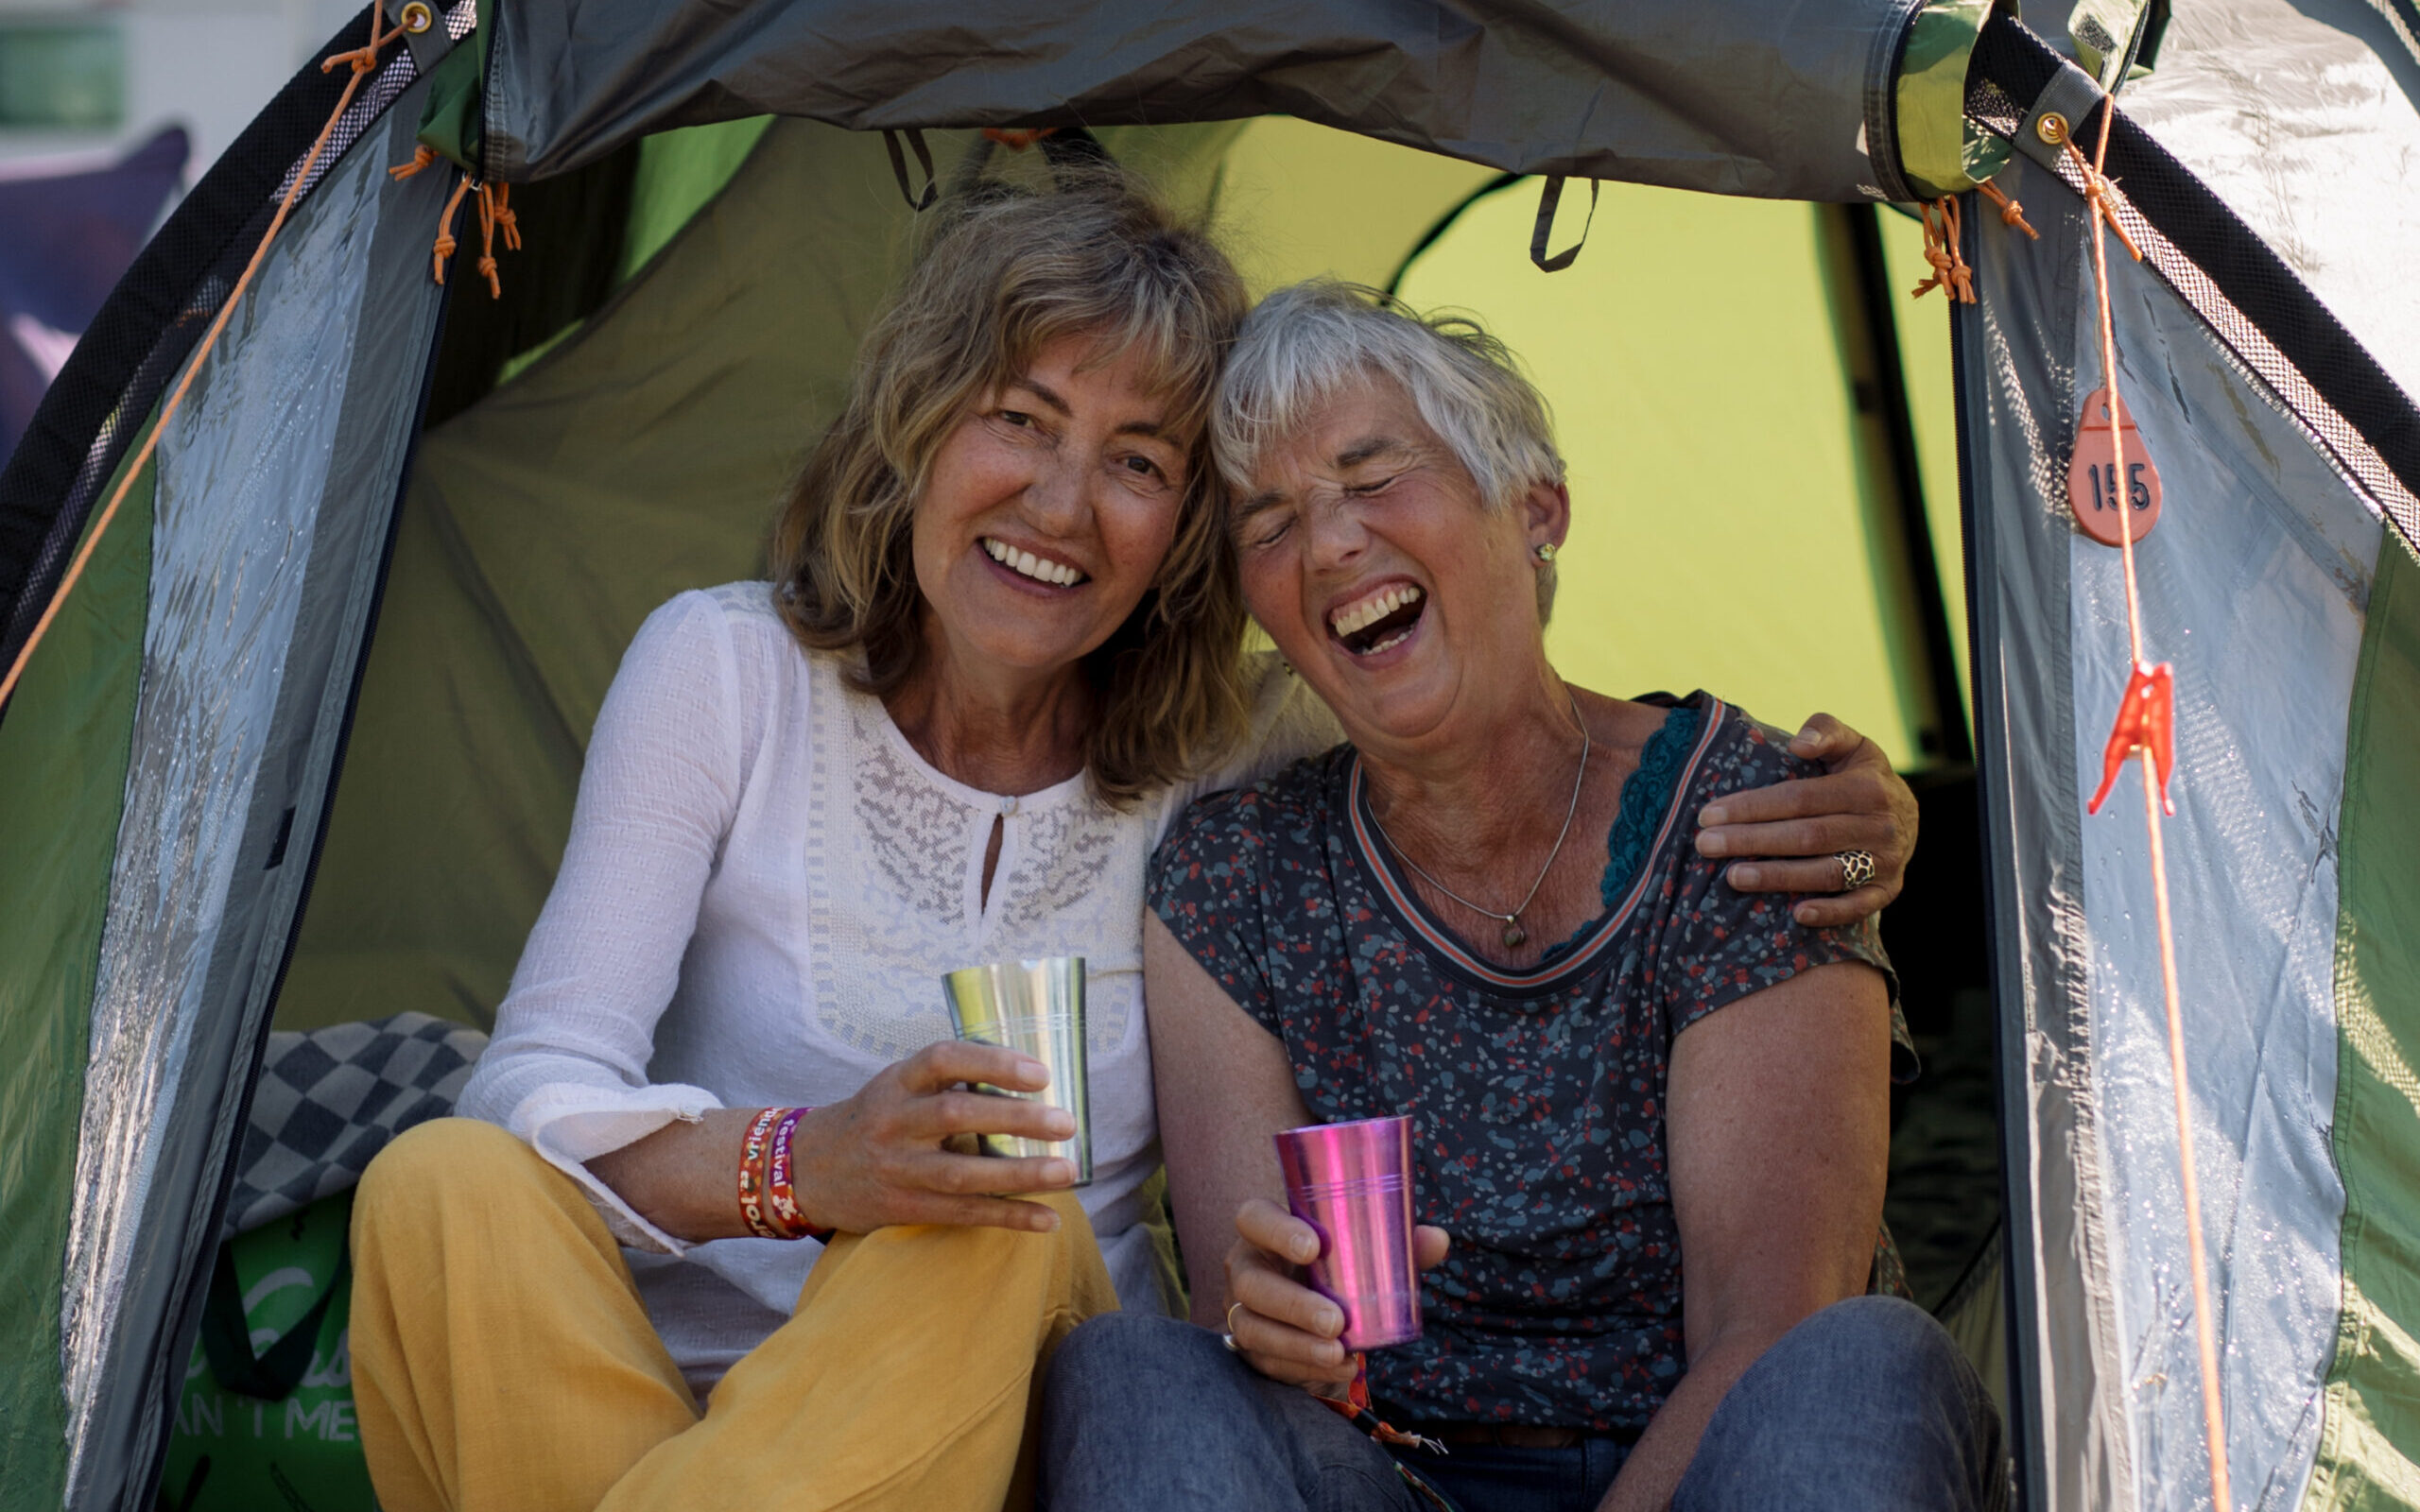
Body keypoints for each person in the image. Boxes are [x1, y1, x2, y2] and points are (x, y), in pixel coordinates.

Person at [348, 175, 1924, 1512]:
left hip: (976, 1419)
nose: (1060, 500)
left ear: (1180, 540)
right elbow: (532, 1088)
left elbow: (1477, 715)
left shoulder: (1226, 754)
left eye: (1141, 463)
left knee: (992, 1215)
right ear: (917, 429)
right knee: (439, 1182)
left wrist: (1871, 831)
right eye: (1018, 421)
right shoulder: (725, 672)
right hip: (643, 1409)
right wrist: (806, 1167)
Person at [1041, 283, 2003, 1512]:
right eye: (1268, 523)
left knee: (1862, 1364)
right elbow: (1262, 1332)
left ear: (1536, 508)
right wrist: (1272, 1323)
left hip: (1715, 1471)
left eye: (1372, 476)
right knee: (1129, 1370)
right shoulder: (1237, 879)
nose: (1327, 545)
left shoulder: (1756, 821)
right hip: (1389, 1477)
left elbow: (1769, 1326)